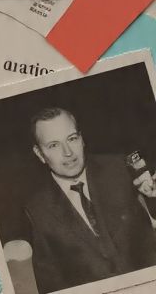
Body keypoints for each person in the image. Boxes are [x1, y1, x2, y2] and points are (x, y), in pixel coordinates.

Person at [25, 106, 156, 294]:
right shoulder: (38, 209)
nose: (68, 152)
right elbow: (51, 282)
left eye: (72, 139)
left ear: (82, 139)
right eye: (54, 145)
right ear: (39, 154)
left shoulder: (119, 168)